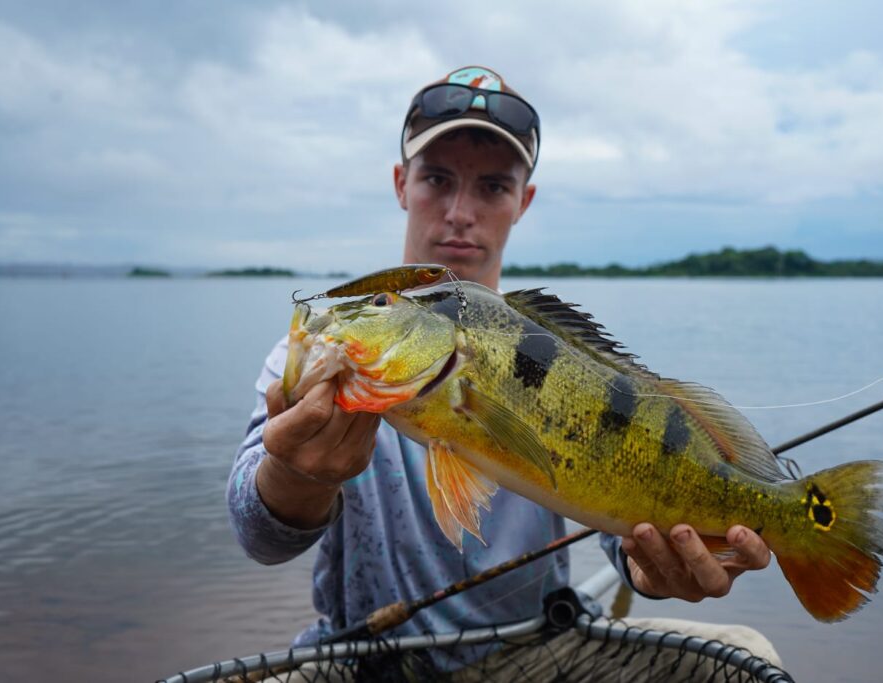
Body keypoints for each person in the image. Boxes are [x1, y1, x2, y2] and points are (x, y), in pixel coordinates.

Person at [228, 66, 776, 671]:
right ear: (400, 184)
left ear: (524, 201)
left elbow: (620, 530)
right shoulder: (323, 355)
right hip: (365, 659)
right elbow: (261, 537)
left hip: (539, 648)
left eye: (492, 187)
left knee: (744, 660)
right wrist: (296, 477)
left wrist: (652, 567)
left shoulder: (558, 357)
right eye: (437, 178)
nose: (461, 212)